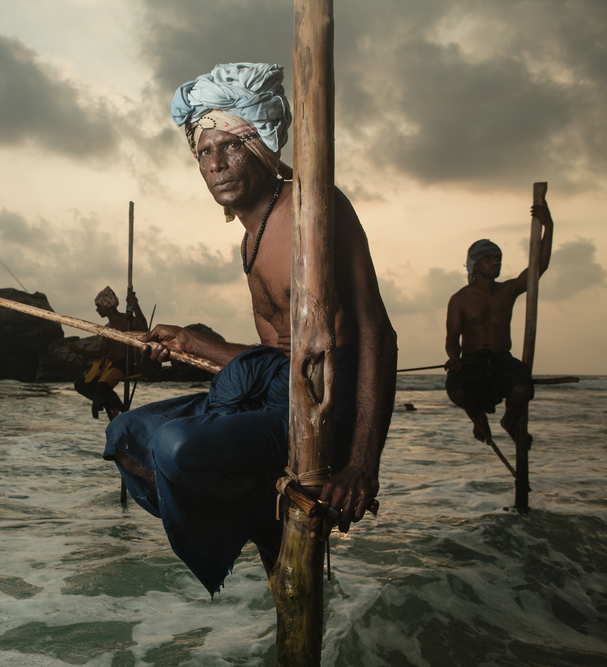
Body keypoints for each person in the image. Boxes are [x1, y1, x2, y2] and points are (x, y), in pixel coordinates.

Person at [103, 63, 396, 596]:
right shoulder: (250, 238)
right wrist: (194, 343)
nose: (215, 164)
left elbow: (377, 333)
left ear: (260, 146)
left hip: (323, 403)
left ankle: (270, 515)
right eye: (203, 152)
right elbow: (278, 355)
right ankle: (263, 518)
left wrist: (359, 465)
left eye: (230, 147)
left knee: (176, 450)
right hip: (275, 393)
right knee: (124, 436)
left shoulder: (314, 209)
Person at [444, 204, 554, 446]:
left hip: (502, 359)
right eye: (489, 259)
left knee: (522, 389)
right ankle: (478, 418)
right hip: (472, 360)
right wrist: (455, 359)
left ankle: (510, 421)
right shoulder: (460, 299)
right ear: (475, 264)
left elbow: (539, 267)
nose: (496, 263)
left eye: (498, 258)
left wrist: (549, 225)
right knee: (457, 390)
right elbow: (452, 338)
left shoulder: (508, 290)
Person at [70, 286, 148, 420]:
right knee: (80, 384)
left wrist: (135, 305)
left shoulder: (126, 321)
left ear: (108, 306)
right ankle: (110, 405)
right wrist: (79, 351)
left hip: (125, 364)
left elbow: (144, 329)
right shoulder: (107, 328)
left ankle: (124, 412)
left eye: (98, 306)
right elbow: (102, 352)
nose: (97, 309)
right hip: (110, 365)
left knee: (102, 388)